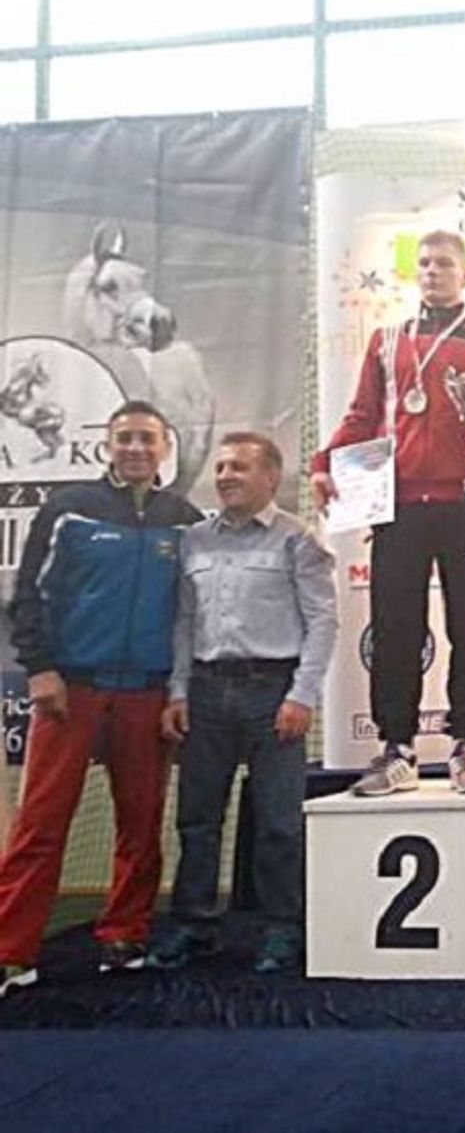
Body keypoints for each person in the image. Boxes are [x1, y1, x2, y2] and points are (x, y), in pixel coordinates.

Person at [312, 229, 465, 797]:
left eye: (444, 264)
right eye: (426, 263)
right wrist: (323, 463)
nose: (433, 271)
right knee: (395, 629)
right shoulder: (387, 341)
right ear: (416, 274)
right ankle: (397, 748)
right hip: (399, 505)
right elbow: (362, 416)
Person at [0, 401, 201, 996]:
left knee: (141, 822)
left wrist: (179, 689)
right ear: (107, 446)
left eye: (147, 439)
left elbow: (194, 613)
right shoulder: (69, 510)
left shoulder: (184, 520)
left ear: (165, 448)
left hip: (147, 692)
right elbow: (29, 595)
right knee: (41, 823)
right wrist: (40, 669)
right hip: (72, 689)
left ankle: (125, 933)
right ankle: (11, 949)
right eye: (124, 438)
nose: (135, 448)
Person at [151, 433, 338, 974]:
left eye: (239, 467)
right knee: (197, 820)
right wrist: (178, 691)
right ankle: (194, 925)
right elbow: (184, 621)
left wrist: (302, 695)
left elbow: (323, 621)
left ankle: (281, 929)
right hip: (206, 692)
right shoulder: (193, 540)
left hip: (273, 692)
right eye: (221, 467)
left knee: (278, 823)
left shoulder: (297, 539)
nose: (226, 476)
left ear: (271, 478)